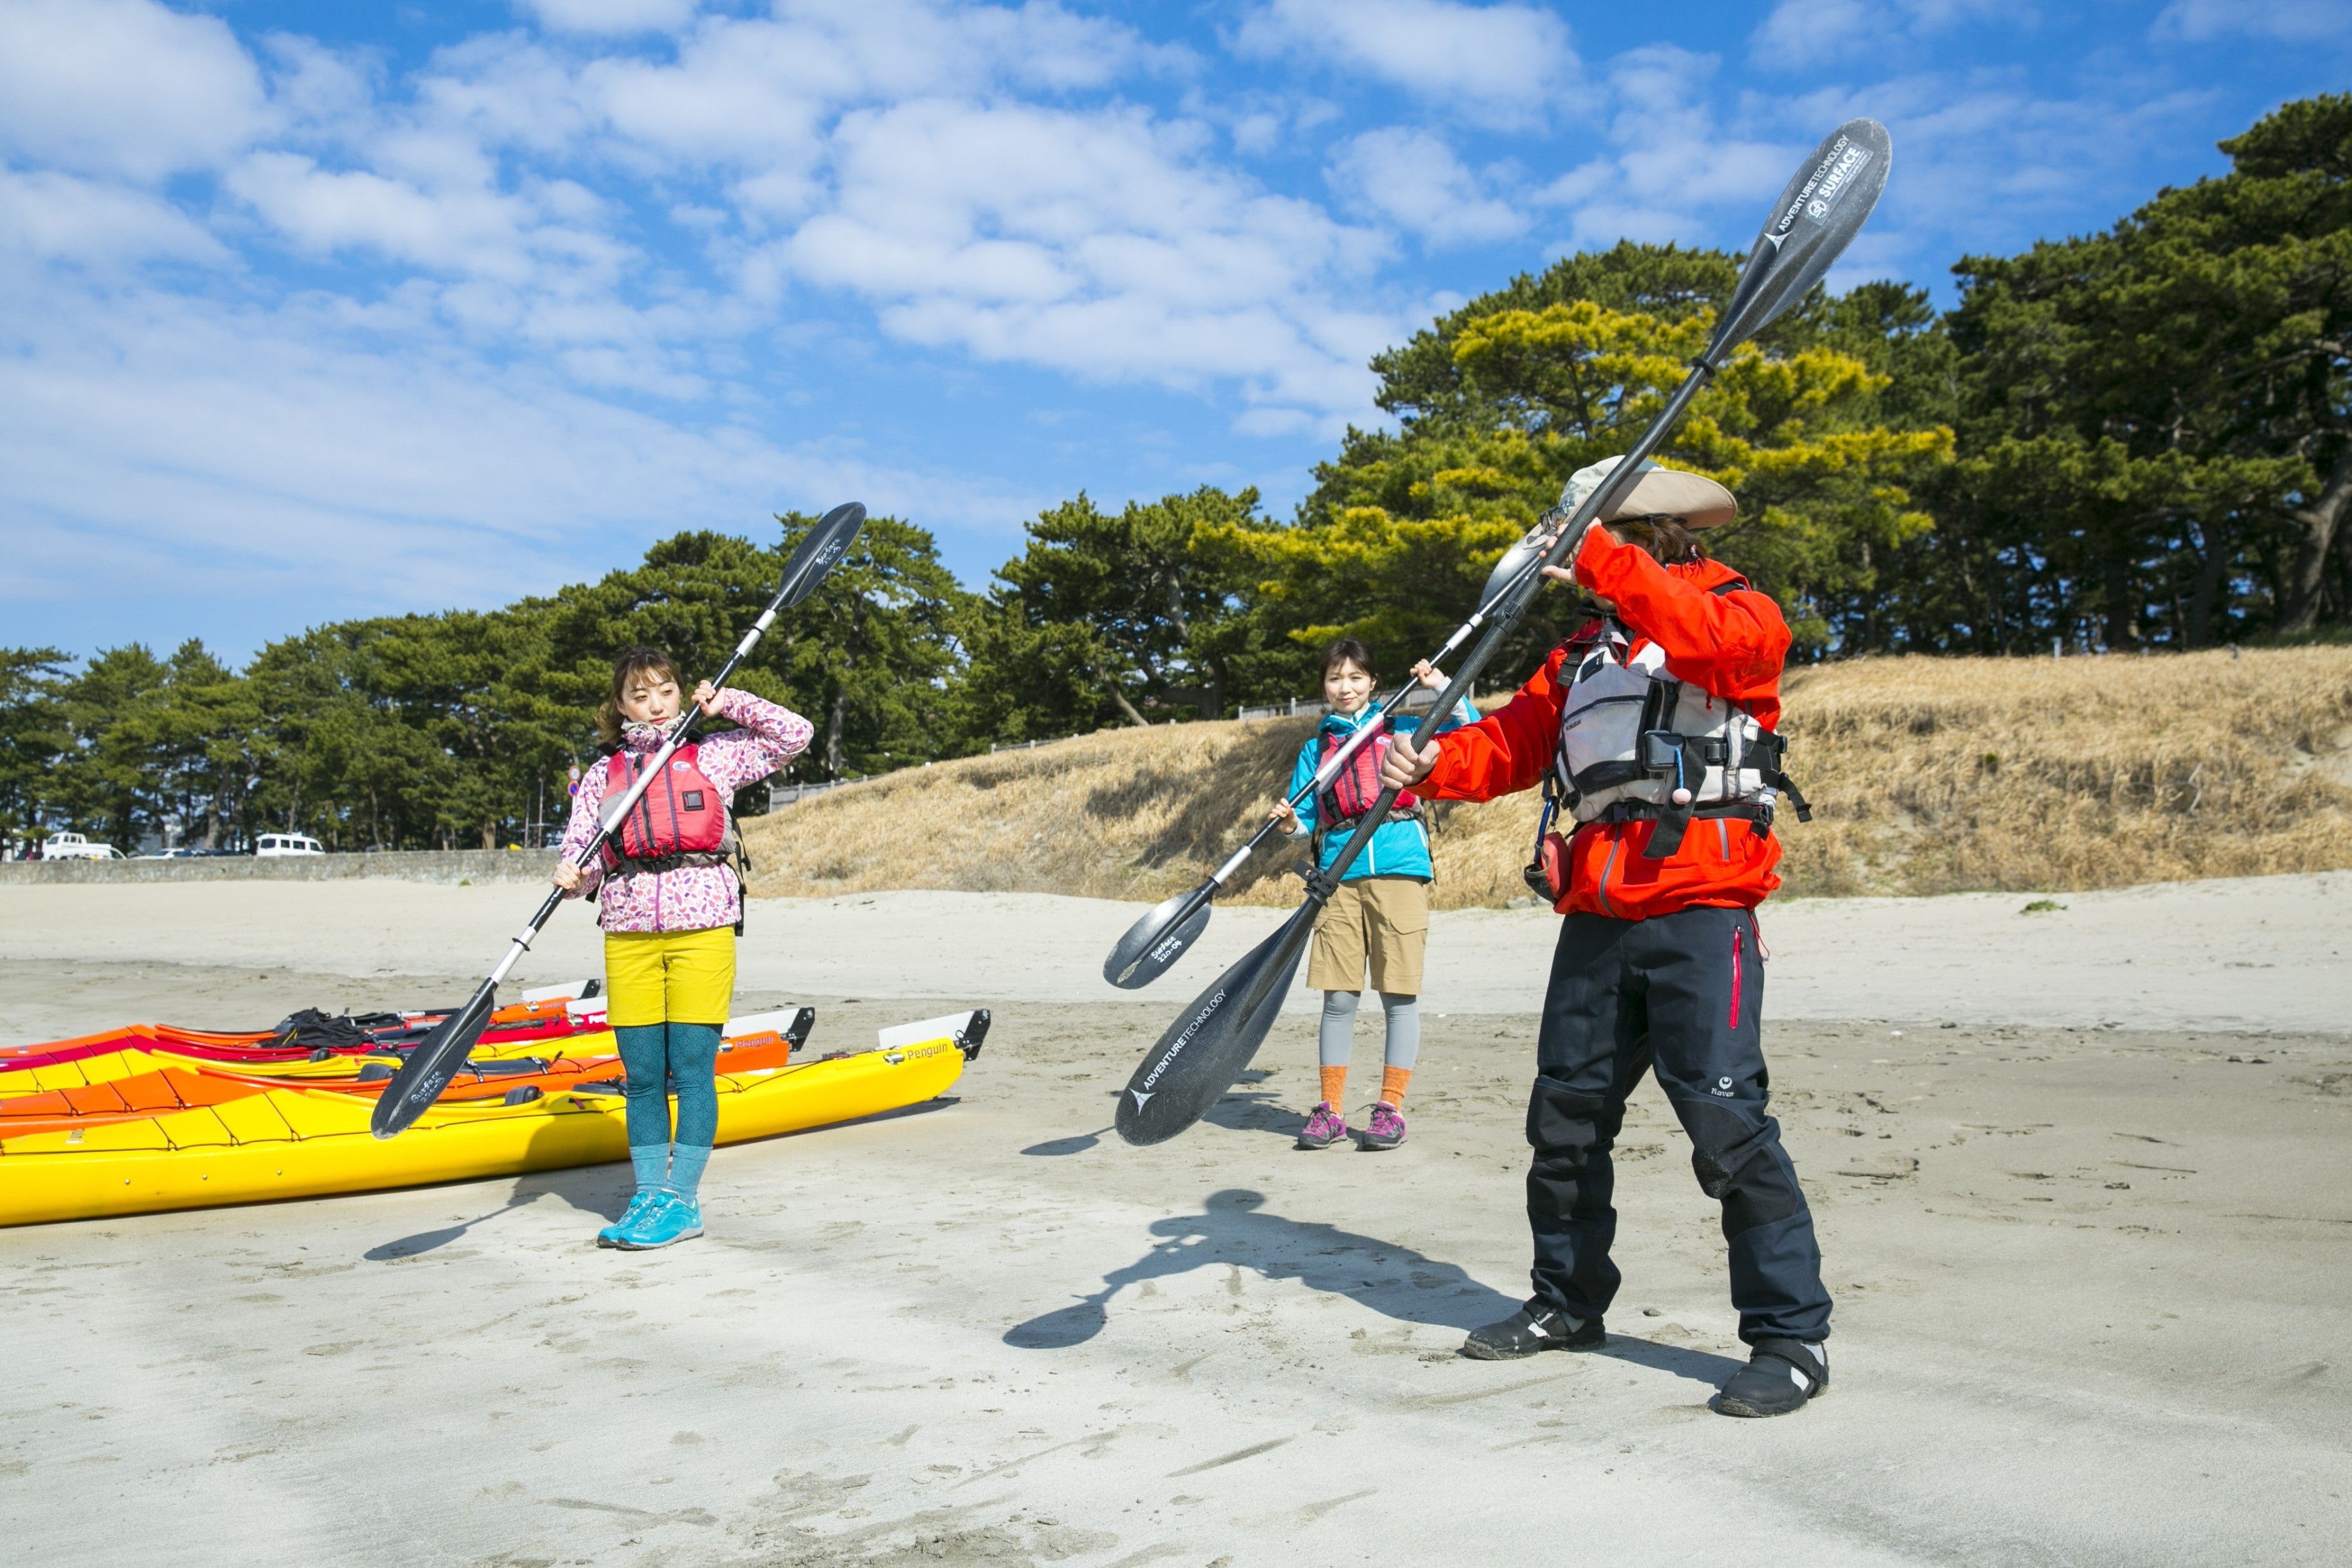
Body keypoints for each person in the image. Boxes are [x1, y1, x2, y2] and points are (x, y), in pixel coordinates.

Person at [1379, 456, 1833, 1418]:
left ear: (1654, 534)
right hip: (1596, 914)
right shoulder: (1581, 654)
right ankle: (1567, 1301)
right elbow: (1513, 743)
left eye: (1607, 530)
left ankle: (1791, 1335)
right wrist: (1429, 762)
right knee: (1566, 1123)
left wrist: (1597, 554)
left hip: (1704, 907)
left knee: (1725, 1122)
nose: (1588, 549)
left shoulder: (1739, 610)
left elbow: (1706, 640)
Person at [552, 646, 812, 1250]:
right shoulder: (602, 775)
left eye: (664, 690)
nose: (655, 703)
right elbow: (582, 856)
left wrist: (729, 703)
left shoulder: (715, 754)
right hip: (629, 931)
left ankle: (682, 1199)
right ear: (619, 706)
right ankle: (648, 1193)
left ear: (678, 691)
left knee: (692, 1070)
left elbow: (795, 735)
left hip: (704, 928)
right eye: (639, 695)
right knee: (642, 1076)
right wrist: (571, 876)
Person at [1271, 638, 1477, 1152]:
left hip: (1400, 867)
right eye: (1335, 678)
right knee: (1339, 998)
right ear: (1324, 686)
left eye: (1356, 678)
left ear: (1373, 683)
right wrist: (1293, 823)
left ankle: (1390, 1108)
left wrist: (1441, 688)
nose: (1345, 687)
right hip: (1337, 873)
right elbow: (1309, 822)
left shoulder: (1402, 728)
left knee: (1398, 995)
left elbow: (1470, 730)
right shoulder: (1314, 750)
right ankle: (1331, 1110)